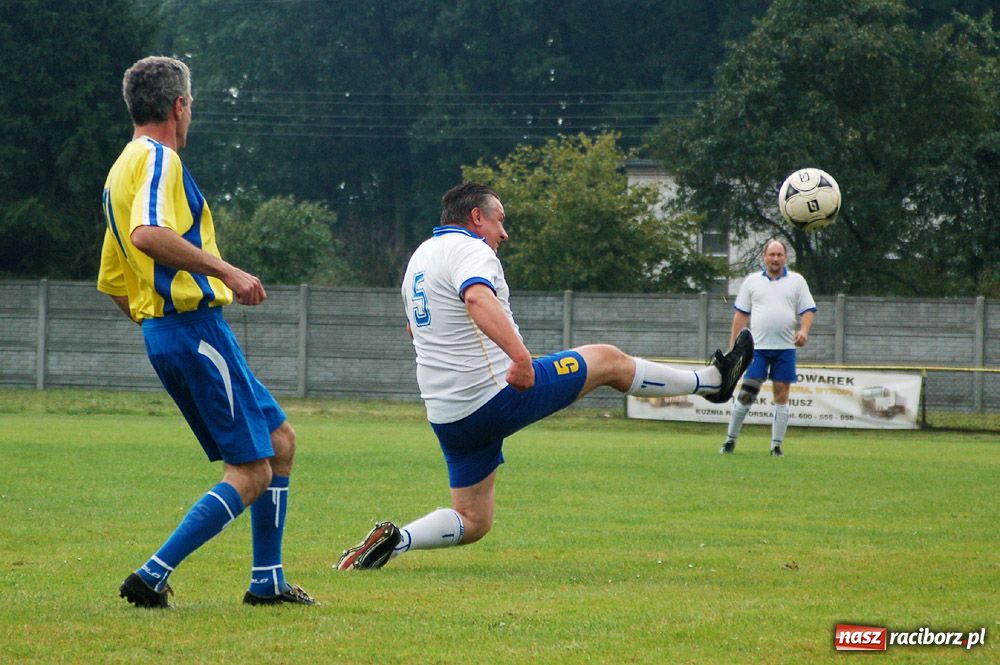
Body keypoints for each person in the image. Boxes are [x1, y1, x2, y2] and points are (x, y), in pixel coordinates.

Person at [335, 182, 755, 570]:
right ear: (476, 218)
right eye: (500, 220)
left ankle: (395, 541)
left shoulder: (419, 260)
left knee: (473, 520)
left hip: (448, 416)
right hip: (495, 397)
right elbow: (478, 298)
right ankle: (713, 383)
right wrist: (519, 359)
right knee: (607, 360)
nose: (504, 233)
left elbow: (415, 329)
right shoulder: (470, 248)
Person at [97, 56, 314, 607]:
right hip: (193, 329)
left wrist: (158, 331)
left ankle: (268, 581)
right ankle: (150, 576)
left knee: (280, 441)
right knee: (250, 470)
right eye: (190, 105)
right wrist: (227, 271)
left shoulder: (118, 171)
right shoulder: (157, 160)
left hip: (176, 332)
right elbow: (147, 234)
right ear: (179, 106)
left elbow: (114, 279)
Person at [720, 238, 816, 457]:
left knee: (781, 394)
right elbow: (741, 314)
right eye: (771, 255)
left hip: (785, 349)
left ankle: (776, 446)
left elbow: (808, 310)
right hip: (758, 349)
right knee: (747, 394)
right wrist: (734, 345)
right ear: (764, 257)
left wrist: (804, 332)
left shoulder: (797, 281)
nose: (775, 259)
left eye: (779, 255)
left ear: (785, 257)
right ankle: (729, 441)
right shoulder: (752, 281)